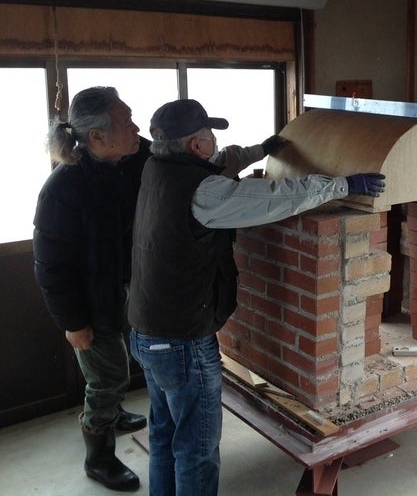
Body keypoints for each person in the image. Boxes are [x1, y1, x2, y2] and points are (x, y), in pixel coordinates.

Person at [127, 98, 385, 496]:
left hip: (147, 332)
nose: (214, 142)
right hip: (183, 343)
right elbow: (277, 197)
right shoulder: (205, 192)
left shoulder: (157, 167)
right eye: (209, 135)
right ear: (196, 145)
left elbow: (221, 162)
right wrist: (343, 185)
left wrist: (261, 150)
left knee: (165, 434)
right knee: (196, 449)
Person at [33, 86, 151, 492]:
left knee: (125, 360)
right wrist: (73, 323)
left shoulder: (132, 159)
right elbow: (51, 266)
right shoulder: (62, 188)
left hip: (125, 287)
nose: (137, 128)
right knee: (107, 378)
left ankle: (113, 414)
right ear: (97, 136)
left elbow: (173, 157)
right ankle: (99, 457)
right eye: (126, 121)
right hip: (89, 302)